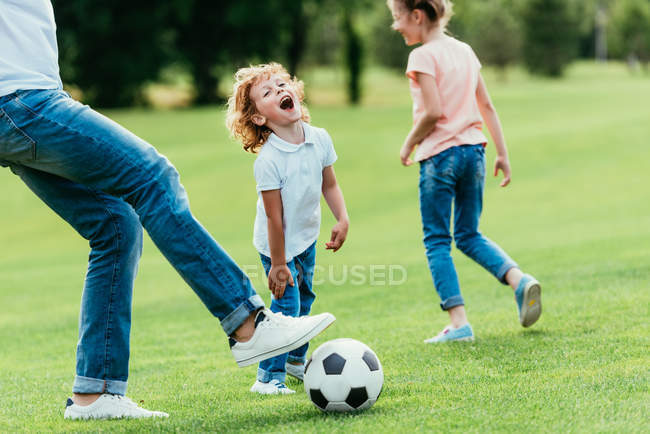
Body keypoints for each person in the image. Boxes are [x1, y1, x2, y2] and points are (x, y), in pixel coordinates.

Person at [0, 0, 335, 420]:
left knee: (115, 225)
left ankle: (95, 393)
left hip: (20, 105)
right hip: (20, 100)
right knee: (154, 176)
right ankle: (247, 323)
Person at [386, 0, 542, 342]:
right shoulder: (465, 51)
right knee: (469, 234)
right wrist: (502, 153)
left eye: (397, 18)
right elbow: (486, 105)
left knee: (437, 241)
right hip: (475, 153)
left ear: (417, 15)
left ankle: (459, 324)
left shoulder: (422, 56)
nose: (395, 26)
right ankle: (520, 281)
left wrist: (408, 142)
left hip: (440, 156)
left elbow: (432, 111)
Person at [225, 63, 349, 394]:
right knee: (287, 305)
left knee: (305, 298)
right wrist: (278, 265)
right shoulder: (269, 160)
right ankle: (268, 377)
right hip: (275, 243)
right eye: (268, 92)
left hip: (305, 238)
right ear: (259, 118)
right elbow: (273, 218)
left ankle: (295, 361)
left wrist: (342, 218)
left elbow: (330, 185)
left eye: (282, 84)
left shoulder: (319, 138)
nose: (280, 90)